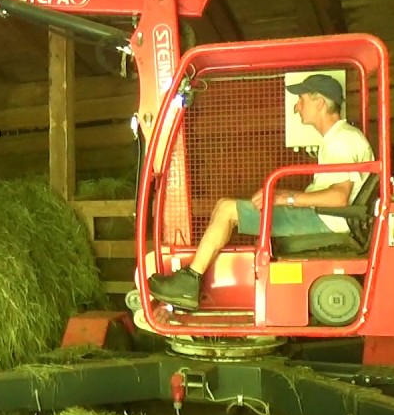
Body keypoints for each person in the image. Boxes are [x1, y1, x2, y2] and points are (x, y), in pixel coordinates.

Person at [147, 73, 374, 311]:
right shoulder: (338, 139)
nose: (297, 107)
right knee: (224, 204)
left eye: (301, 99)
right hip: (324, 217)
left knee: (227, 210)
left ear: (320, 102)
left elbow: (338, 198)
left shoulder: (342, 140)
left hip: (326, 221)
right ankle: (193, 278)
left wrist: (283, 197)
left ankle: (190, 279)